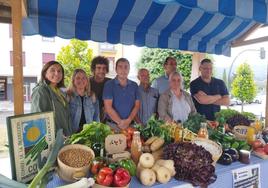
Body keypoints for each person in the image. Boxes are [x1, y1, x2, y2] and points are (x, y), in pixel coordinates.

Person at [31, 61, 72, 136]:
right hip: (52, 138)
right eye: (52, 70)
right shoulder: (40, 91)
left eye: (59, 71)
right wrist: (54, 134)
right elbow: (38, 118)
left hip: (65, 136)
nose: (57, 73)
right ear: (45, 73)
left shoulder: (59, 91)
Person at [103, 58, 140, 132]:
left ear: (129, 69)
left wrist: (128, 120)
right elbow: (108, 107)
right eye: (120, 67)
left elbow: (137, 105)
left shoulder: (134, 85)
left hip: (130, 126)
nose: (123, 70)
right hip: (113, 126)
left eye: (126, 67)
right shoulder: (109, 85)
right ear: (116, 69)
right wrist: (120, 122)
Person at [67, 69, 99, 133]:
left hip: (88, 133)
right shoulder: (68, 95)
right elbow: (64, 117)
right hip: (72, 132)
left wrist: (96, 132)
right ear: (73, 80)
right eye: (78, 78)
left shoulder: (92, 95)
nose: (81, 80)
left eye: (83, 78)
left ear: (87, 81)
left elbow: (96, 117)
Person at [89, 56, 111, 122]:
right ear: (93, 69)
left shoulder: (110, 83)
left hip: (107, 118)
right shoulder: (87, 82)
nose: (101, 71)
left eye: (104, 68)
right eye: (98, 68)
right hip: (89, 117)